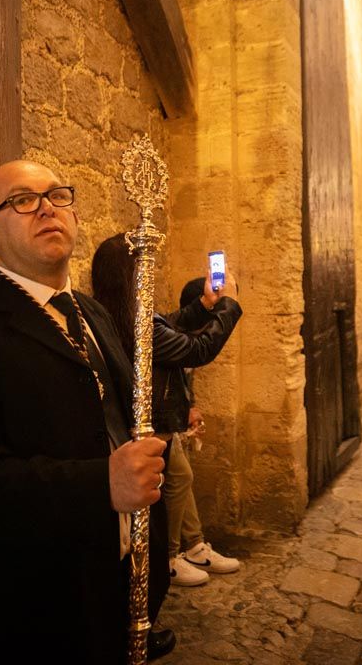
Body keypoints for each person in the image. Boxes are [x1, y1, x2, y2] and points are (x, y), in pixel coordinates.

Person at [0, 160, 174, 663]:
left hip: (116, 587)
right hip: (27, 614)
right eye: (22, 200)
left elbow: (108, 418)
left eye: (58, 195)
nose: (46, 207)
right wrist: (100, 484)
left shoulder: (93, 312)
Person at [91, 237, 243, 589]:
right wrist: (229, 305)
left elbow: (170, 323)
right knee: (164, 493)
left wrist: (205, 304)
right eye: (146, 266)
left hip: (150, 421)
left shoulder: (113, 313)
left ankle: (186, 548)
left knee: (180, 478)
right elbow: (197, 348)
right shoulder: (135, 324)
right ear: (130, 275)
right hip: (149, 425)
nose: (153, 272)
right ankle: (167, 561)